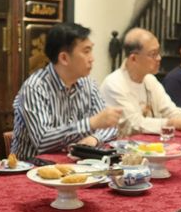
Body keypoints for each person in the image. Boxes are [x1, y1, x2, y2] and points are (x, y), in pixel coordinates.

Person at [12, 22, 122, 159]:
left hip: (74, 164)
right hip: (33, 167)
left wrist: (94, 138)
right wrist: (90, 124)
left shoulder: (88, 84)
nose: (92, 59)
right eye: (86, 51)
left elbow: (110, 126)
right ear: (64, 58)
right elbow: (42, 141)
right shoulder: (35, 87)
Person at [99, 28, 181, 138]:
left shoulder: (150, 80)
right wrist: (174, 123)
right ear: (133, 58)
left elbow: (172, 112)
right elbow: (134, 124)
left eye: (158, 52)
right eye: (153, 54)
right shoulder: (114, 84)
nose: (159, 58)